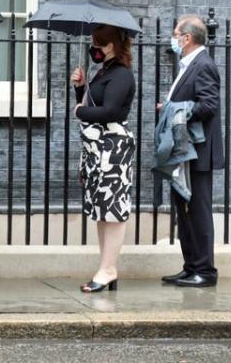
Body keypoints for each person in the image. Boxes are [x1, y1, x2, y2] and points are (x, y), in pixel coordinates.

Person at [70, 24, 137, 293]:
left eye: (97, 44)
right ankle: (106, 268)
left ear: (109, 46)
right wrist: (81, 88)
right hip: (99, 149)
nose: (93, 49)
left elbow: (109, 111)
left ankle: (109, 269)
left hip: (114, 148)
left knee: (114, 210)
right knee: (101, 209)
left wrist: (79, 112)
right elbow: (92, 105)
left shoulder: (121, 75)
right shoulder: (105, 72)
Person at [158, 14, 223, 287]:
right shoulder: (188, 65)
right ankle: (190, 266)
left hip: (198, 151)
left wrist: (174, 110)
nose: (172, 38)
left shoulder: (203, 65)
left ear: (186, 38)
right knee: (184, 210)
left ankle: (205, 271)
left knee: (197, 210)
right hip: (184, 150)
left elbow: (209, 105)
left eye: (175, 34)